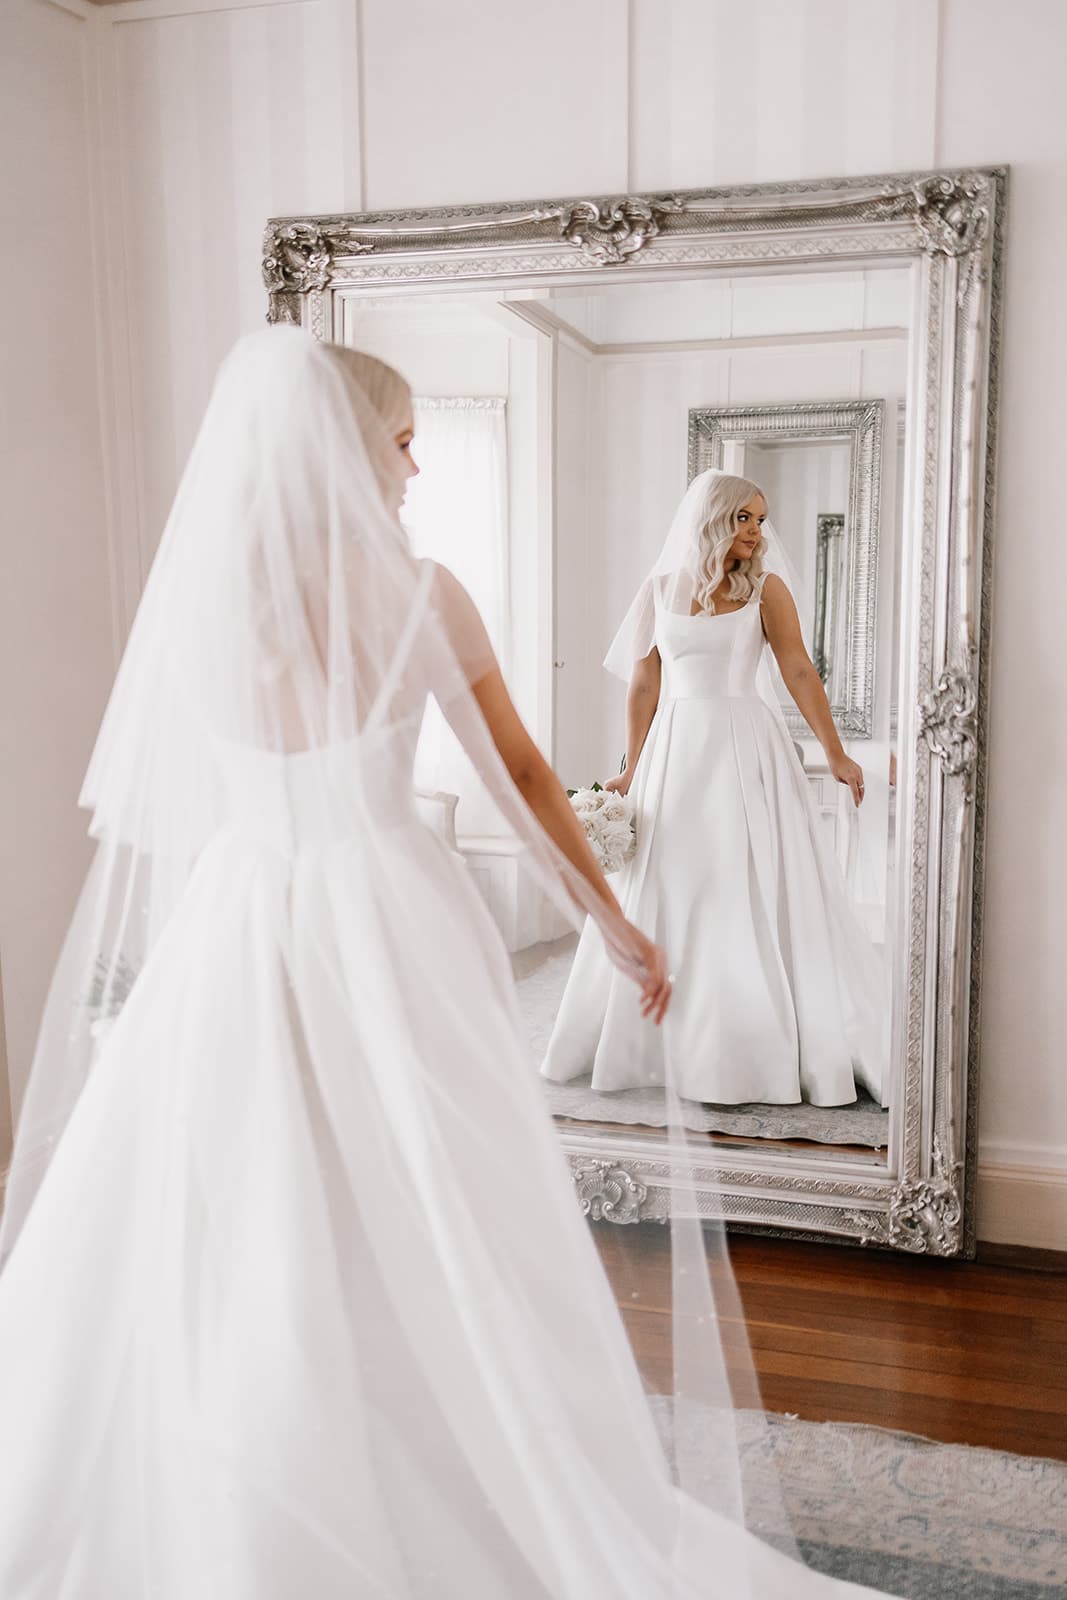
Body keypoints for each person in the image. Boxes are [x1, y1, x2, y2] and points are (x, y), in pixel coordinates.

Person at [0, 333, 889, 1598]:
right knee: (428, 1185)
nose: (414, 465)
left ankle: (251, 1458)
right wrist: (607, 916)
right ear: (342, 446)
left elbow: (188, 787)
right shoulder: (418, 592)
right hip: (377, 908)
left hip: (237, 915)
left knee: (238, 1194)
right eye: (401, 439)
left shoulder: (199, 599)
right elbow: (519, 776)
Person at [542, 469, 887, 1109]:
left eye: (761, 518)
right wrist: (630, 766)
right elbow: (644, 686)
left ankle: (755, 1038)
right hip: (676, 751)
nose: (758, 531)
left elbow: (799, 672)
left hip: (746, 746)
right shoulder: (659, 590)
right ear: (713, 519)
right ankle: (658, 1040)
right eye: (745, 518)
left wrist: (835, 753)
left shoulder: (768, 591)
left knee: (744, 884)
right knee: (677, 885)